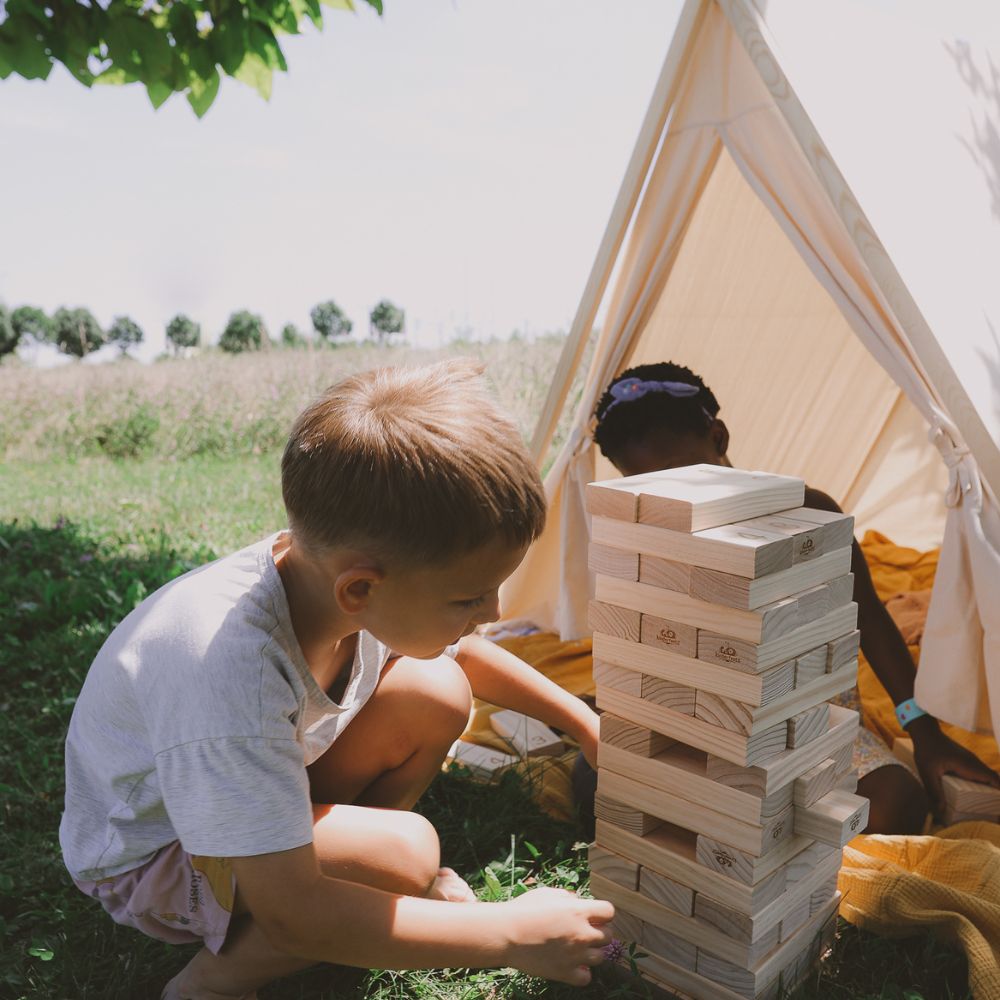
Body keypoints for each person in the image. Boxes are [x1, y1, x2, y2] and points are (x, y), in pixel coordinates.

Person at [60, 360, 613, 1000]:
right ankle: (212, 981)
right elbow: (293, 912)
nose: (491, 613)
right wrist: (510, 935)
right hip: (154, 855)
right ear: (360, 588)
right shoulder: (230, 673)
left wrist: (585, 725)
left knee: (435, 692)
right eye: (468, 598)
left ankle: (360, 879)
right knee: (406, 855)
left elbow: (466, 657)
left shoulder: (338, 584)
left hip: (232, 799)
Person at [576, 360, 1000, 836]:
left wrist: (925, 735)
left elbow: (873, 622)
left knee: (896, 804)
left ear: (719, 439)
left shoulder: (811, 515)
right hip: (706, 729)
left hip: (812, 729)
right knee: (595, 779)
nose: (677, 503)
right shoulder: (649, 537)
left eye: (685, 477)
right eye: (649, 488)